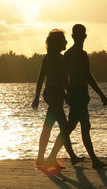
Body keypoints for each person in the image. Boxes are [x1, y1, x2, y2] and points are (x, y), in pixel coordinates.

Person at [46, 24, 107, 168]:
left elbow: (76, 77)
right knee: (76, 126)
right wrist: (101, 95)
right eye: (79, 35)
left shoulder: (74, 54)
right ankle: (92, 160)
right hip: (78, 93)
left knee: (77, 126)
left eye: (82, 35)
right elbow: (80, 76)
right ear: (75, 37)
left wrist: (69, 93)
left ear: (83, 37)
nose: (81, 38)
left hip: (79, 93)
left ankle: (93, 160)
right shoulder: (76, 54)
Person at [32, 29, 84, 168]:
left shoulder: (48, 58)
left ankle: (43, 159)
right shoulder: (58, 59)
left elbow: (42, 80)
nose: (66, 42)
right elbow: (62, 81)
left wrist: (38, 97)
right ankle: (70, 157)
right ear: (58, 43)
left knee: (48, 126)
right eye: (64, 40)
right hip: (54, 94)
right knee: (64, 126)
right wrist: (68, 95)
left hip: (52, 94)